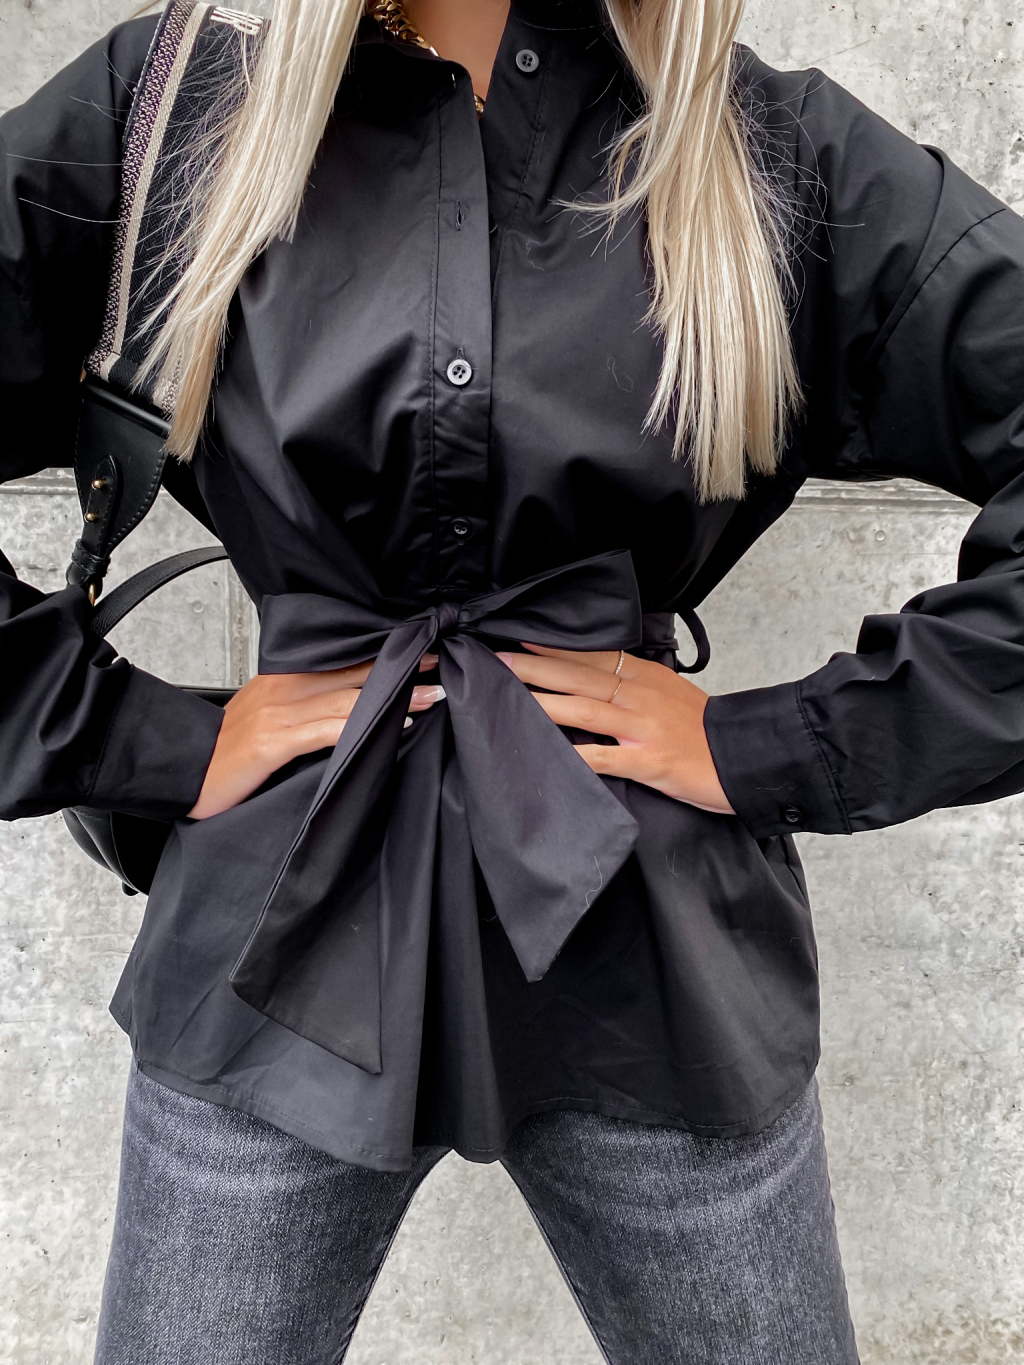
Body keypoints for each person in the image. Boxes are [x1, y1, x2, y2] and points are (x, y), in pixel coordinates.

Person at [1, 0, 1022, 1360]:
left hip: (648, 949)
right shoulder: (175, 111)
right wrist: (136, 736)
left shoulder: (769, 152)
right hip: (274, 945)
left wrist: (778, 745)